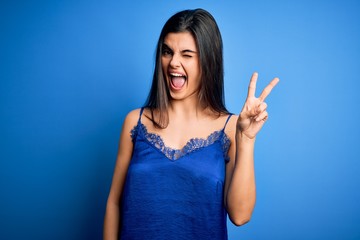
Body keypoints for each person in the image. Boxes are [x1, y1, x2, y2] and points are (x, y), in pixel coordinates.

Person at [103, 8, 279, 240]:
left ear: (208, 61)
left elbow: (240, 215)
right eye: (167, 52)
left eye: (187, 54)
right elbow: (114, 203)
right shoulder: (135, 122)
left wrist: (246, 139)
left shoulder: (230, 127)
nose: (173, 62)